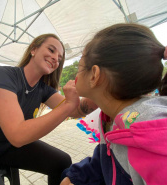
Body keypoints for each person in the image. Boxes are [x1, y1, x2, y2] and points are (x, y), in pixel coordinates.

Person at [0, 33, 97, 185]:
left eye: (60, 58)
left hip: (6, 147)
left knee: (61, 161)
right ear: (33, 49)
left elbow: (76, 109)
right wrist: (69, 104)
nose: (56, 58)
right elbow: (18, 135)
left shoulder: (43, 89)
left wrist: (100, 95)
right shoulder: (1, 75)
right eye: (51, 50)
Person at [60, 23, 167, 185]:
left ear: (94, 75)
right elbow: (109, 159)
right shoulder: (112, 117)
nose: (76, 73)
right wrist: (76, 177)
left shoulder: (151, 139)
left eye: (80, 67)